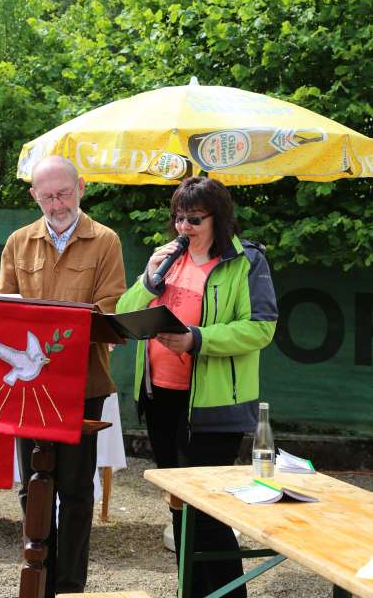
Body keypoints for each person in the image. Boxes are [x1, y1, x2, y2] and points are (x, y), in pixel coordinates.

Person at [117, 176, 278, 597]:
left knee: (207, 512)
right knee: (178, 504)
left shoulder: (248, 262)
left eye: (193, 219)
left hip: (214, 405)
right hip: (160, 397)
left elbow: (261, 329)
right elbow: (123, 314)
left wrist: (197, 340)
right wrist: (149, 280)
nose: (183, 227)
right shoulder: (167, 259)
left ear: (218, 219)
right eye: (177, 218)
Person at [0, 155, 126, 597]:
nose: (56, 204)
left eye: (64, 193)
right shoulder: (17, 241)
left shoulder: (105, 241)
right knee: (32, 487)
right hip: (27, 388)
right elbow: (2, 306)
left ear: (82, 188)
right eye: (47, 196)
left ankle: (68, 587)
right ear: (34, 196)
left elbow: (110, 308)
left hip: (81, 386)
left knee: (74, 492)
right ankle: (39, 579)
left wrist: (58, 337)